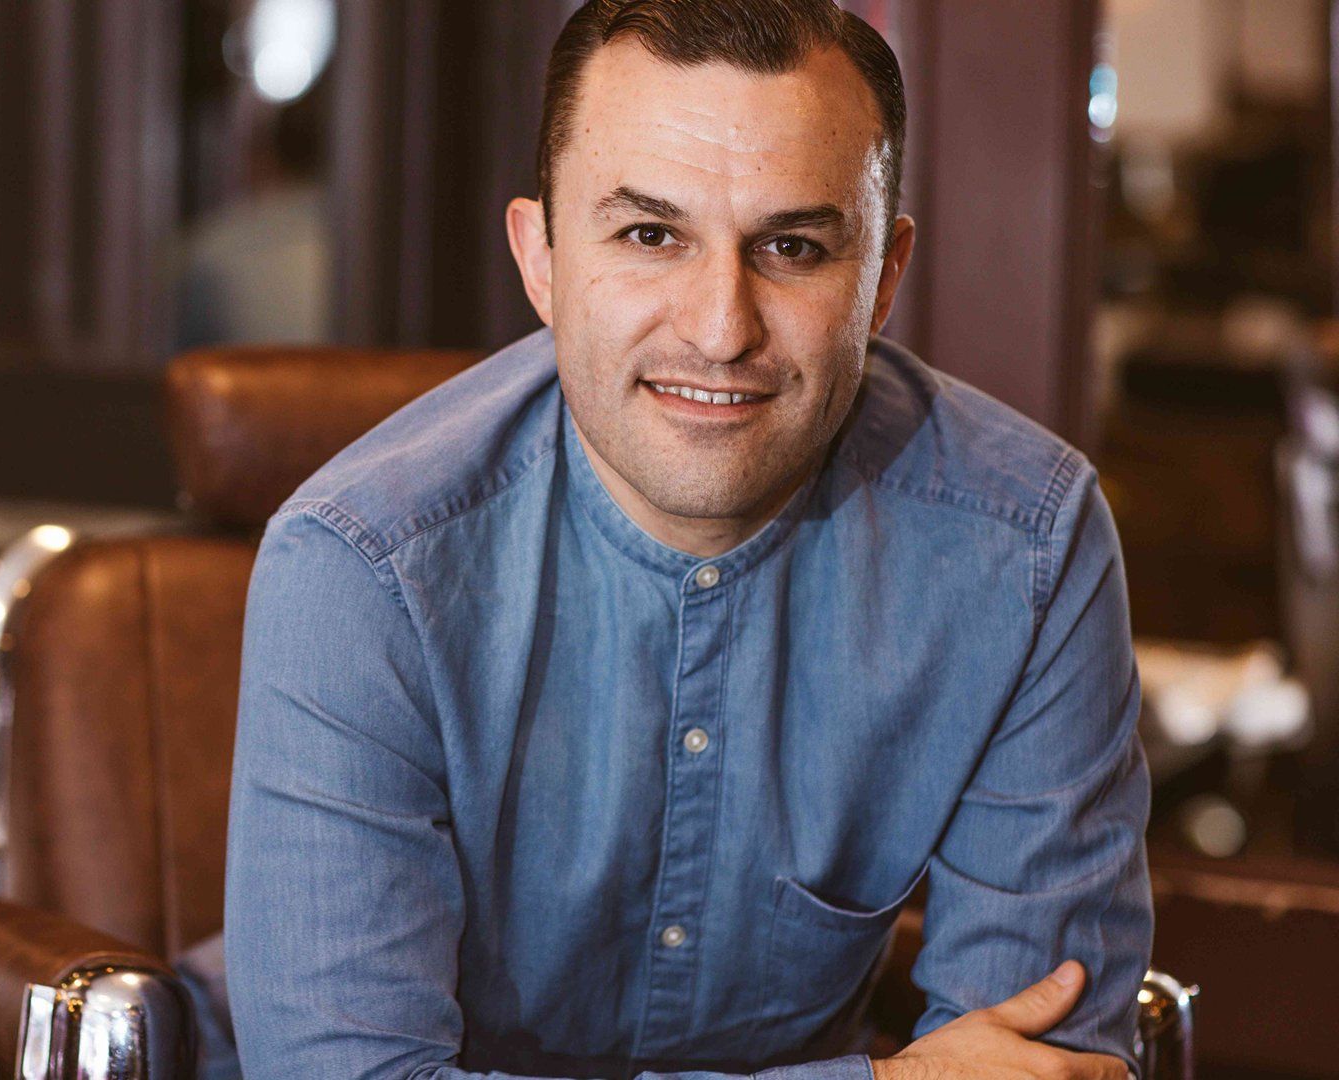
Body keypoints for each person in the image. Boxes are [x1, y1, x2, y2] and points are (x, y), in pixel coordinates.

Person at [223, 2, 1151, 1077]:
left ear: (883, 281)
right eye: (651, 235)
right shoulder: (359, 566)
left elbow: (1042, 1064)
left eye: (794, 247)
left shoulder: (1029, 548)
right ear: (542, 258)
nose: (721, 329)